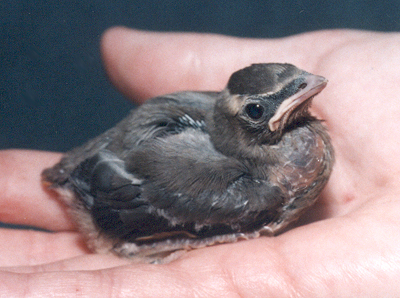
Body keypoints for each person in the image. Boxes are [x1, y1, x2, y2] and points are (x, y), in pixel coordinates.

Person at [1, 27, 400, 297]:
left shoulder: (276, 151)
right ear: (237, 122)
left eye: (300, 79)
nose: (310, 84)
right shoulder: (258, 186)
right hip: (110, 199)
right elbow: (118, 212)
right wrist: (128, 243)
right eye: (259, 111)